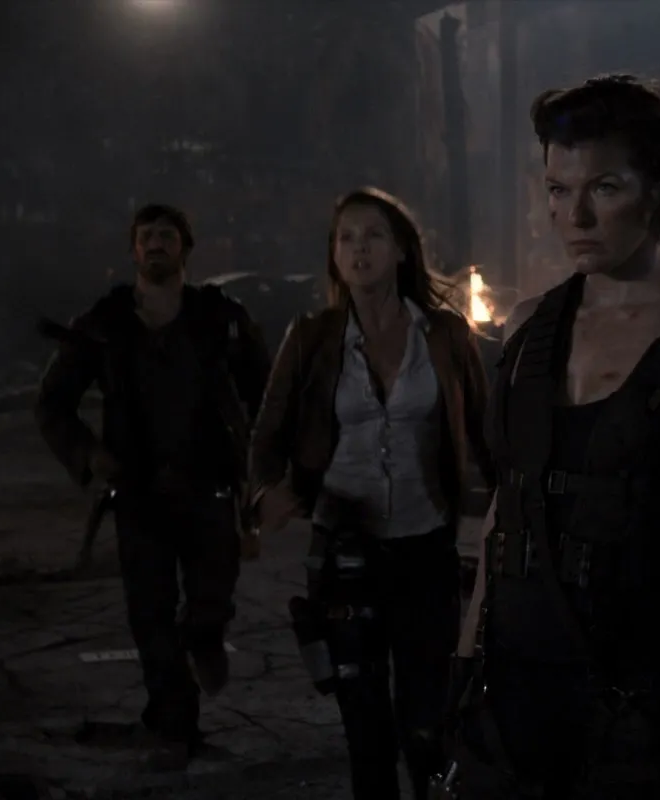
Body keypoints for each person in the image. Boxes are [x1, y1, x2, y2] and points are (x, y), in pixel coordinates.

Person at [440, 74, 660, 800]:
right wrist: (466, 662)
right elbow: (509, 507)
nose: (576, 216)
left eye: (603, 187)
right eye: (558, 189)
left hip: (646, 694)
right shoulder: (528, 329)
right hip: (515, 688)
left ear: (658, 190)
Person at [247, 187, 494, 800]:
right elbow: (266, 437)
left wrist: (510, 513)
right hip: (344, 553)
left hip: (425, 547)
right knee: (365, 727)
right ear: (334, 256)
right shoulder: (312, 337)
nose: (359, 249)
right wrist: (267, 494)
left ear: (402, 250)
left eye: (374, 235)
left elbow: (487, 435)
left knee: (427, 722)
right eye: (347, 238)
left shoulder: (444, 334)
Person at [36, 203, 272, 757]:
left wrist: (262, 469)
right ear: (134, 250)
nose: (157, 243)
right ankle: (173, 723)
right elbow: (52, 403)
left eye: (167, 234)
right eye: (147, 236)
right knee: (150, 614)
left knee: (211, 600)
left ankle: (205, 637)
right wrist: (89, 454)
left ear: (185, 247)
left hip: (210, 483)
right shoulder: (105, 323)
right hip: (139, 491)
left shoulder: (219, 318)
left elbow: (266, 393)